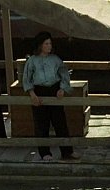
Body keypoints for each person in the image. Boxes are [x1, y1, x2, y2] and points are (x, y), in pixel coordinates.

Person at [22, 31, 79, 161]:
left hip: (54, 90)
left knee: (60, 123)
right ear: (40, 45)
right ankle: (45, 153)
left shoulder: (55, 59)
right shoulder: (32, 61)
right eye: (46, 44)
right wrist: (32, 94)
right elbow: (27, 78)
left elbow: (64, 74)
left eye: (50, 44)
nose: (49, 46)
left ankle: (67, 151)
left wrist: (62, 89)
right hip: (39, 91)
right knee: (41, 124)